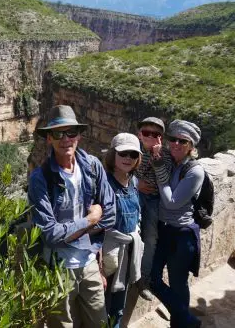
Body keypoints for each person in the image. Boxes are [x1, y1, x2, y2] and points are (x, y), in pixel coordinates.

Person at [28, 105, 116, 328]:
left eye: (71, 133)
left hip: (89, 263)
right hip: (58, 268)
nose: (65, 139)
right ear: (49, 138)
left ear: (79, 135)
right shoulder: (41, 179)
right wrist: (89, 221)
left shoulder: (93, 167)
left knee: (100, 323)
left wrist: (71, 231)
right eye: (58, 133)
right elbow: (49, 234)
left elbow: (110, 214)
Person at [148, 120, 204, 328]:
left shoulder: (195, 171)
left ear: (191, 146)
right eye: (173, 139)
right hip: (165, 231)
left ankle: (180, 323)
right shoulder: (172, 163)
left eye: (182, 141)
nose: (176, 144)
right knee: (152, 278)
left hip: (182, 235)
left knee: (178, 284)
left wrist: (159, 172)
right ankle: (186, 319)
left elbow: (171, 203)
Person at [101, 133, 144, 328]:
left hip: (127, 251)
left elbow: (138, 213)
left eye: (133, 155)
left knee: (118, 306)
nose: (128, 158)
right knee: (101, 305)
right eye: (123, 153)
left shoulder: (133, 182)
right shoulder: (104, 184)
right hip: (108, 253)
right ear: (113, 155)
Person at [134, 117, 173, 300]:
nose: (150, 137)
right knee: (130, 234)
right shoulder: (133, 150)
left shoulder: (165, 155)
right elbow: (133, 173)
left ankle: (144, 280)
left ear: (161, 137)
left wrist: (155, 156)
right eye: (146, 133)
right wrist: (137, 184)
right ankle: (126, 275)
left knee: (150, 238)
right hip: (134, 196)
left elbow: (164, 179)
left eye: (155, 134)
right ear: (140, 134)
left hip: (154, 200)